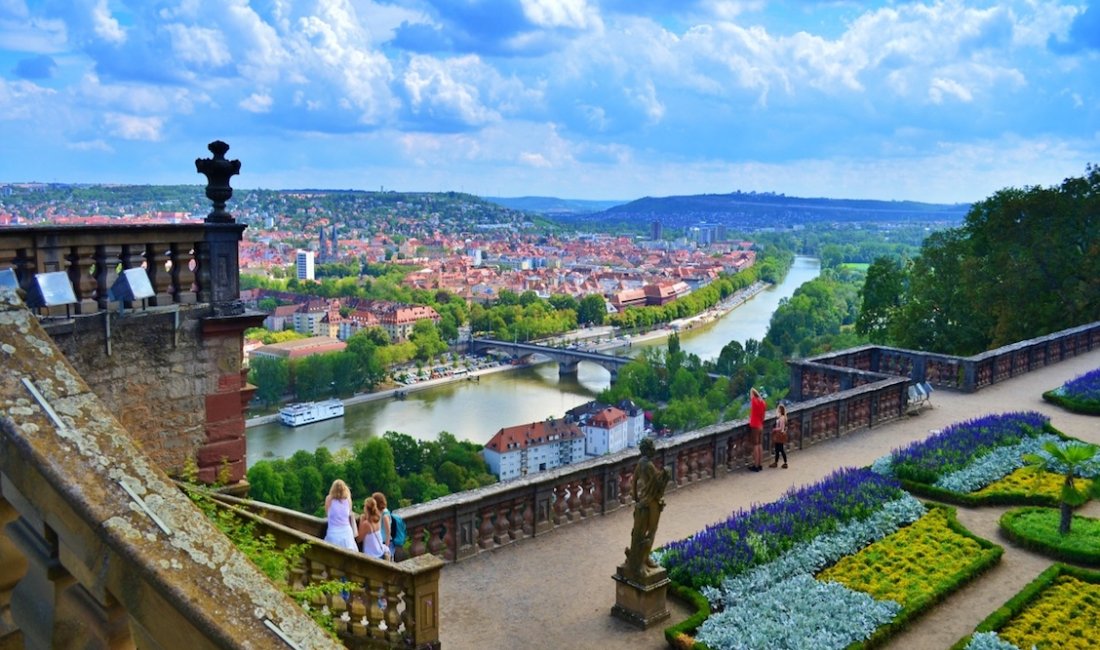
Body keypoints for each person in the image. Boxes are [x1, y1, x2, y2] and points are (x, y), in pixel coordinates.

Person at [624, 438, 671, 580]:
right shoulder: (649, 465)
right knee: (651, 531)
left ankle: (641, 558)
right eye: (652, 446)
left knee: (640, 532)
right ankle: (641, 560)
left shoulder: (641, 462)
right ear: (648, 449)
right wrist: (666, 473)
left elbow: (634, 480)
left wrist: (636, 497)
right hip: (651, 502)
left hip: (643, 500)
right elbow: (658, 483)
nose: (654, 449)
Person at [323, 479, 358, 550]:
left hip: (333, 533)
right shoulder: (348, 499)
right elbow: (349, 512)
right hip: (347, 533)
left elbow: (327, 513)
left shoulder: (329, 499)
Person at [372, 491, 399, 560]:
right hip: (382, 542)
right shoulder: (382, 512)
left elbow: (388, 532)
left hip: (386, 543)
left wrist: (386, 548)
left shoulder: (385, 515)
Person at [748, 388, 766, 472]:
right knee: (760, 445)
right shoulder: (763, 403)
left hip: (755, 425)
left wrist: (754, 392)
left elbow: (752, 390)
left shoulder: (754, 401)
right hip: (760, 425)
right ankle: (760, 464)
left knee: (755, 446)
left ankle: (755, 466)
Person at [770, 403, 789, 469]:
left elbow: (781, 428)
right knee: (778, 449)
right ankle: (778, 462)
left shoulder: (781, 418)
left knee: (779, 449)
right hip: (781, 435)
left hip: (779, 435)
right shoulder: (783, 417)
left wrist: (774, 429)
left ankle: (783, 462)